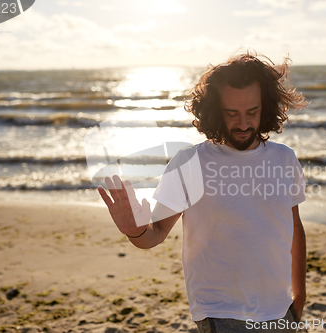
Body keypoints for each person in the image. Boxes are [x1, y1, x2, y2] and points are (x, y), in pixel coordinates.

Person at [98, 52, 308, 332]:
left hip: (279, 308)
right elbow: (155, 235)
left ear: (265, 107)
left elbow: (294, 226)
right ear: (214, 110)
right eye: (232, 113)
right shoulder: (190, 163)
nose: (243, 123)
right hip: (220, 310)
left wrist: (300, 295)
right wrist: (133, 230)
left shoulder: (284, 158)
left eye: (252, 112)